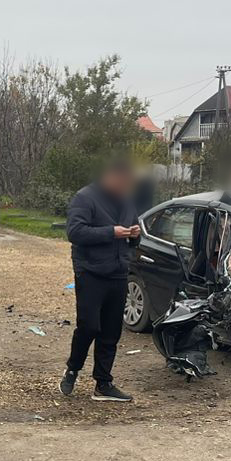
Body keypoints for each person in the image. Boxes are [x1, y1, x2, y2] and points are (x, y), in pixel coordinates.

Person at [60, 158, 141, 403]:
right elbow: (75, 232)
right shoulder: (85, 197)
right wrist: (111, 232)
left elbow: (133, 235)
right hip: (90, 272)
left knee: (111, 330)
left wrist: (134, 235)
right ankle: (73, 369)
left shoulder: (126, 200)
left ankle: (103, 383)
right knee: (89, 326)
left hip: (119, 272)